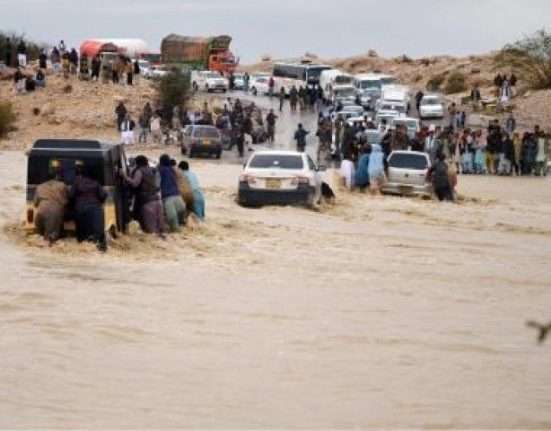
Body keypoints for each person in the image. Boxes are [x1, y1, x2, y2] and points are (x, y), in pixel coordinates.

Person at [70, 162, 108, 251]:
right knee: (98, 238)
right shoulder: (96, 183)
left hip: (80, 210)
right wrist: (100, 202)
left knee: (81, 238)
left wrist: (74, 205)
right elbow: (103, 195)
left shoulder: (77, 182)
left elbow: (71, 196)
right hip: (95, 210)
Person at [122, 155, 164, 235]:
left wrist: (125, 177)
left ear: (137, 163)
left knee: (151, 231)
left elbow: (135, 184)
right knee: (160, 229)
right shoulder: (151, 170)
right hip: (157, 201)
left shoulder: (139, 171)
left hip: (147, 203)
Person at [33, 163, 69, 245]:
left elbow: (35, 203)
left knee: (41, 235)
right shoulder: (62, 185)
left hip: (41, 212)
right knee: (51, 239)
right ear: (56, 177)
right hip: (54, 212)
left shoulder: (39, 186)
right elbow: (66, 201)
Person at [158, 155, 186, 232]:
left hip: (168, 199)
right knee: (181, 225)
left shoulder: (160, 170)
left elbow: (156, 184)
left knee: (174, 228)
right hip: (179, 199)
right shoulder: (173, 170)